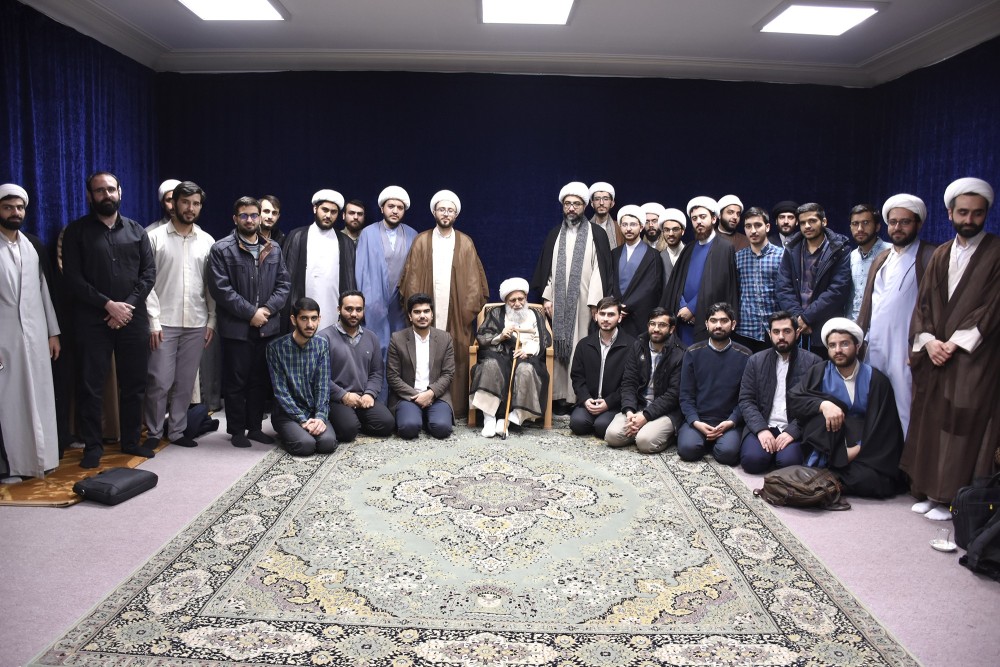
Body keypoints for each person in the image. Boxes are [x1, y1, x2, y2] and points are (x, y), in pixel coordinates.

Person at [903, 177, 1000, 521]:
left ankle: (952, 499)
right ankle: (929, 491)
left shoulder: (996, 253)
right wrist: (929, 341)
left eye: (977, 213)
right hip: (936, 353)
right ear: (950, 213)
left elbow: (992, 307)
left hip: (974, 357)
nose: (969, 219)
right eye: (963, 212)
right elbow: (923, 305)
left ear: (986, 213)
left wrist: (955, 343)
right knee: (931, 421)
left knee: (962, 424)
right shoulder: (941, 253)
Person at [62, 172, 157, 467]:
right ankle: (93, 447)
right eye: (100, 190)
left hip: (132, 318)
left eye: (111, 189)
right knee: (90, 385)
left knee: (134, 383)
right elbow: (73, 278)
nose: (106, 195)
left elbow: (148, 274)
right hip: (92, 319)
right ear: (90, 196)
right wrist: (108, 305)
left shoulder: (137, 230)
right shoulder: (76, 232)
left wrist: (126, 307)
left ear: (120, 192)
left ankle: (131, 441)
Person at [788, 318, 906, 498]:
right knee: (817, 420)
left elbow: (885, 426)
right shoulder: (819, 372)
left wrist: (856, 450)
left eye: (844, 344)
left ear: (857, 347)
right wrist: (823, 405)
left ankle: (828, 477)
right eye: (832, 345)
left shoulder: (876, 379)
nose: (838, 350)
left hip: (865, 448)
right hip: (831, 443)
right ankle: (831, 474)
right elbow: (795, 400)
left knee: (876, 483)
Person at [208, 196, 290, 448]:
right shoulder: (221, 249)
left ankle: (254, 428)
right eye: (244, 215)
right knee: (236, 381)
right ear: (235, 218)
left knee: (259, 380)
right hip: (237, 328)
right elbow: (221, 290)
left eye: (254, 215)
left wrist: (266, 310)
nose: (250, 220)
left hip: (267, 326)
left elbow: (284, 285)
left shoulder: (273, 248)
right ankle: (236, 431)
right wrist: (250, 313)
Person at [399, 190, 489, 418]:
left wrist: (465, 313)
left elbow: (474, 282)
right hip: (427, 310)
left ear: (456, 215)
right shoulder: (421, 241)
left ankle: (453, 406)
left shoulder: (465, 242)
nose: (446, 214)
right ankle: (418, 400)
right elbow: (412, 278)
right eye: (442, 209)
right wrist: (419, 310)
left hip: (456, 314)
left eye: (450, 210)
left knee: (456, 353)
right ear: (434, 212)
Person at [143, 180, 216, 449]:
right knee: (159, 382)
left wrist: (211, 320)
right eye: (185, 202)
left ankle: (176, 431)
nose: (190, 208)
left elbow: (211, 286)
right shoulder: (154, 238)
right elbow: (146, 283)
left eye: (196, 204)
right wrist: (152, 321)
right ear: (174, 204)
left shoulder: (207, 241)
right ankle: (153, 432)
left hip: (196, 322)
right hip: (163, 322)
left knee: (185, 383)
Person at [856, 194, 936, 438]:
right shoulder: (883, 258)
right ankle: (880, 455)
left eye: (905, 222)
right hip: (875, 347)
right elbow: (870, 306)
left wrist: (922, 346)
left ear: (918, 224)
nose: (898, 227)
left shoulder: (930, 257)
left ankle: (909, 459)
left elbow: (936, 309)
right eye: (893, 222)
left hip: (906, 349)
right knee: (875, 405)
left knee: (906, 408)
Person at [531, 182, 612, 414]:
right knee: (558, 348)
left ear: (585, 206)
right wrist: (547, 299)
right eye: (567, 204)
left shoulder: (597, 234)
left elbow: (600, 270)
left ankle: (577, 396)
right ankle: (558, 396)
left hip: (585, 304)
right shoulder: (555, 234)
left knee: (580, 347)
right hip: (558, 303)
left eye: (576, 204)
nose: (571, 208)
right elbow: (547, 271)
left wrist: (595, 303)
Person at [0, 184, 61, 480]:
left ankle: (41, 460)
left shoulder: (32, 245)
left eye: (19, 208)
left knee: (40, 397)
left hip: (36, 336)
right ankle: (13, 466)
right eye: (8, 208)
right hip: (5, 340)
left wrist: (53, 333)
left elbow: (43, 290)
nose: (15, 213)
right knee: (10, 404)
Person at [738, 311, 822, 474]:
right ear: (770, 334)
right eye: (776, 332)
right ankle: (768, 452)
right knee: (752, 462)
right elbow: (746, 400)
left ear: (797, 333)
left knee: (788, 463)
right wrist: (761, 429)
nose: (781, 336)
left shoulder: (813, 362)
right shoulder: (755, 360)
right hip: (764, 423)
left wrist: (793, 431)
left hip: (794, 426)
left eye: (787, 331)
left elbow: (814, 404)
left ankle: (778, 454)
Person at [469, 278, 550, 437]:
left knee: (525, 369)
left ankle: (510, 418)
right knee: (490, 365)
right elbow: (483, 337)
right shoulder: (496, 313)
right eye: (513, 300)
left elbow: (543, 340)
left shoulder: (535, 315)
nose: (517, 303)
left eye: (521, 299)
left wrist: (528, 351)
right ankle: (489, 418)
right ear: (506, 301)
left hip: (526, 357)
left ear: (526, 298)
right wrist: (501, 336)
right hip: (499, 353)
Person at [355, 185, 418, 389]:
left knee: (401, 350)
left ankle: (399, 396)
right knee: (374, 349)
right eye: (391, 206)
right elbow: (360, 269)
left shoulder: (412, 235)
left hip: (400, 304)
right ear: (382, 208)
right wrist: (364, 302)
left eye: (400, 207)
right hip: (374, 302)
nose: (395, 211)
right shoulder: (368, 233)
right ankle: (374, 395)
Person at [677, 302, 751, 464]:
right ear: (706, 324)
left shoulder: (745, 355)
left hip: (729, 421)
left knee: (728, 454)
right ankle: (701, 440)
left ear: (733, 324)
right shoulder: (692, 352)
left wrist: (732, 421)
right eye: (713, 320)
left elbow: (747, 398)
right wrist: (695, 421)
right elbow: (685, 395)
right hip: (699, 419)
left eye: (724, 321)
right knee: (688, 450)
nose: (718, 325)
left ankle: (714, 443)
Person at [661, 197, 740, 346]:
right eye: (694, 218)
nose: (698, 222)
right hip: (682, 319)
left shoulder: (724, 248)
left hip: (707, 321)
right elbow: (676, 283)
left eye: (703, 217)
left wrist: (692, 309)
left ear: (714, 219)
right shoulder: (689, 248)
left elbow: (719, 285)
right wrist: (682, 307)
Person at [318, 290, 395, 442]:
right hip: (336, 399)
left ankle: (352, 421)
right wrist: (343, 395)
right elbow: (320, 377)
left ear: (363, 311)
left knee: (387, 424)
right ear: (339, 309)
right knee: (348, 432)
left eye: (358, 309)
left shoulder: (371, 337)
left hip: (362, 398)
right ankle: (346, 423)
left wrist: (369, 394)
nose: (354, 314)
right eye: (349, 309)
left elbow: (377, 372)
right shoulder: (323, 338)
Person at [775, 203, 852, 356]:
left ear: (824, 222)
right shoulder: (792, 248)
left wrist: (806, 318)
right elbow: (783, 287)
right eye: (803, 222)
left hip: (825, 328)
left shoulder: (839, 249)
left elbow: (838, 290)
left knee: (823, 370)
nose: (807, 226)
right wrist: (798, 319)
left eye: (812, 221)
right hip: (797, 328)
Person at [605, 308, 685, 453]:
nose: (656, 329)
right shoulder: (639, 345)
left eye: (662, 325)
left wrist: (646, 416)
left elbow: (673, 395)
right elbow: (628, 382)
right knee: (612, 436)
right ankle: (639, 428)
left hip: (665, 411)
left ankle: (666, 435)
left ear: (671, 329)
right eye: (652, 324)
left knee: (644, 442)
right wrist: (629, 411)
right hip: (638, 406)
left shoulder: (680, 353)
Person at [265, 297, 337, 456]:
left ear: (319, 319)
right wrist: (302, 420)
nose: (310, 324)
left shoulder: (322, 344)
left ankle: (306, 430)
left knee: (327, 444)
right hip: (287, 414)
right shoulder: (276, 348)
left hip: (313, 411)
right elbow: (281, 392)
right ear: (293, 319)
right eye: (304, 318)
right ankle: (291, 433)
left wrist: (320, 417)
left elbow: (323, 385)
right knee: (305, 446)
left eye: (314, 318)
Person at [281, 189, 357, 332]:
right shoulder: (297, 236)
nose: (328, 215)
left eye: (333, 212)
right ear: (315, 209)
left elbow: (350, 281)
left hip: (333, 310)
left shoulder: (345, 242)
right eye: (325, 210)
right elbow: (286, 278)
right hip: (302, 309)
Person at [387, 293, 456, 439]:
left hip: (436, 396)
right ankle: (417, 417)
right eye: (417, 312)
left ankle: (426, 417)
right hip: (408, 396)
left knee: (442, 430)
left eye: (426, 311)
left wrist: (430, 394)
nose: (422, 316)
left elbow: (448, 374)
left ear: (432, 315)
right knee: (408, 429)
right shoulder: (397, 339)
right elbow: (392, 376)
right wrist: (417, 396)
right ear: (410, 316)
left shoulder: (445, 338)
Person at [569, 297, 634, 438]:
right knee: (577, 423)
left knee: (601, 427)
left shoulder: (631, 346)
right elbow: (577, 377)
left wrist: (608, 403)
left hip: (614, 405)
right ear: (596, 316)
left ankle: (601, 421)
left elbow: (630, 383)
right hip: (589, 402)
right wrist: (585, 399)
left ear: (619, 318)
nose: (605, 319)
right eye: (602, 314)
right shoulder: (584, 344)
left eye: (611, 315)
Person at [734, 206, 783, 352]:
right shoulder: (738, 257)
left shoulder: (782, 255)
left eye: (757, 225)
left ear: (767, 227)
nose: (753, 231)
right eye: (748, 226)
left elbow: (788, 291)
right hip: (745, 329)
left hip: (774, 328)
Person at [610, 205, 663, 338]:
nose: (628, 228)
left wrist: (627, 306)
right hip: (617, 314)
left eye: (633, 224)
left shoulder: (653, 255)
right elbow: (610, 282)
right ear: (620, 227)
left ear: (641, 227)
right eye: (624, 224)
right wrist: (617, 306)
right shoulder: (615, 253)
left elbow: (651, 286)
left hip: (639, 315)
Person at [846, 203, 889, 321]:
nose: (860, 229)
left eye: (865, 223)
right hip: (853, 324)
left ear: (877, 227)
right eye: (855, 224)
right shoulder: (851, 256)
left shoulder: (891, 253)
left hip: (880, 324)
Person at [589, 181, 622, 249]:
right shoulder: (586, 228)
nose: (601, 203)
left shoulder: (620, 228)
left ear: (612, 203)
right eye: (597, 199)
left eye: (605, 199)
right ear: (592, 204)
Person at [659, 207, 686, 287]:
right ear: (663, 232)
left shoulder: (691, 254)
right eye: (667, 230)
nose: (671, 234)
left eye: (675, 229)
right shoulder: (659, 257)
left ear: (682, 231)